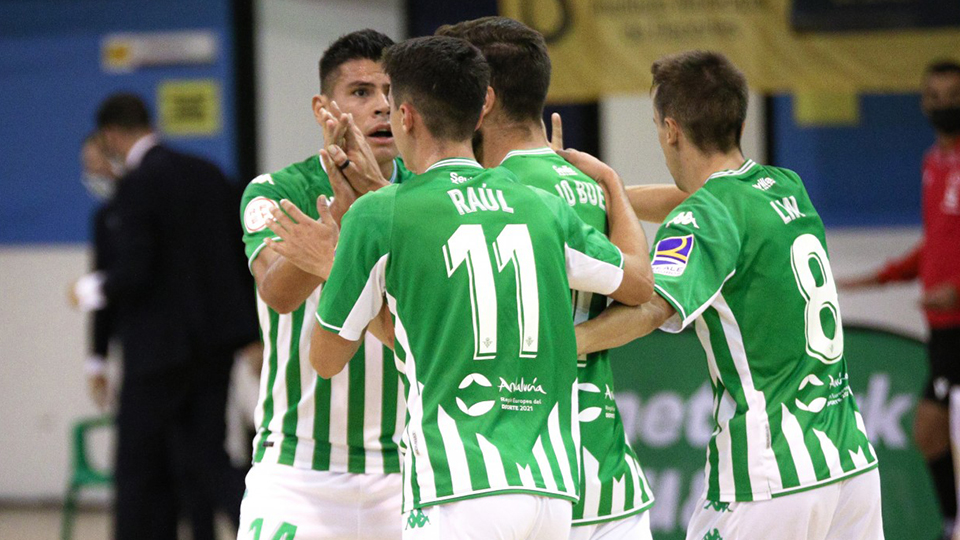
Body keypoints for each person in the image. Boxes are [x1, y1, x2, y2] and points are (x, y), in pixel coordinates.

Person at [306, 35, 654, 540]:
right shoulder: (541, 206)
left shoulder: (379, 214)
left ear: (406, 117)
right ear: (479, 107)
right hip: (551, 491)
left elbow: (326, 359)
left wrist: (334, 267)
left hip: (457, 488)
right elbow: (639, 285)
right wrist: (612, 189)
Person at [573, 51, 883, 540]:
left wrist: (569, 342)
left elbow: (654, 307)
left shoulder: (708, 216)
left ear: (672, 130)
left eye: (656, 126)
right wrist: (608, 188)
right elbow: (698, 201)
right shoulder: (782, 186)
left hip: (771, 475)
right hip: (850, 465)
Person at [435, 16, 686, 539]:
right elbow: (648, 299)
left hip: (517, 469)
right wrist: (613, 187)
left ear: (480, 100)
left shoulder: (481, 197)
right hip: (607, 471)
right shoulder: (586, 184)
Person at [237, 29, 413, 540]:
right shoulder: (277, 190)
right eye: (361, 93)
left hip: (406, 468)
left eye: (389, 93)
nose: (381, 107)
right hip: (296, 465)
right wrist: (341, 213)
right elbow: (277, 292)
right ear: (324, 108)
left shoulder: (423, 194)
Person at [72, 93, 257, 540]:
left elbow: (135, 269)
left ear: (112, 135)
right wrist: (249, 332)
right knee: (207, 458)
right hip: (213, 348)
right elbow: (238, 257)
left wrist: (87, 289)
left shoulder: (137, 186)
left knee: (140, 466)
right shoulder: (208, 173)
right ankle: (260, 525)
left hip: (157, 354)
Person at [839, 59, 960, 539]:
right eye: (934, 96)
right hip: (942, 328)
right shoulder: (933, 162)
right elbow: (936, 244)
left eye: (953, 95)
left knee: (934, 427)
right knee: (931, 431)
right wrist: (876, 278)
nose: (944, 105)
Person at [78, 133, 121, 410]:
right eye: (87, 166)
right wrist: (97, 361)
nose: (91, 173)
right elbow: (102, 286)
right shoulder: (104, 219)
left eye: (96, 163)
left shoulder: (162, 209)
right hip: (135, 348)